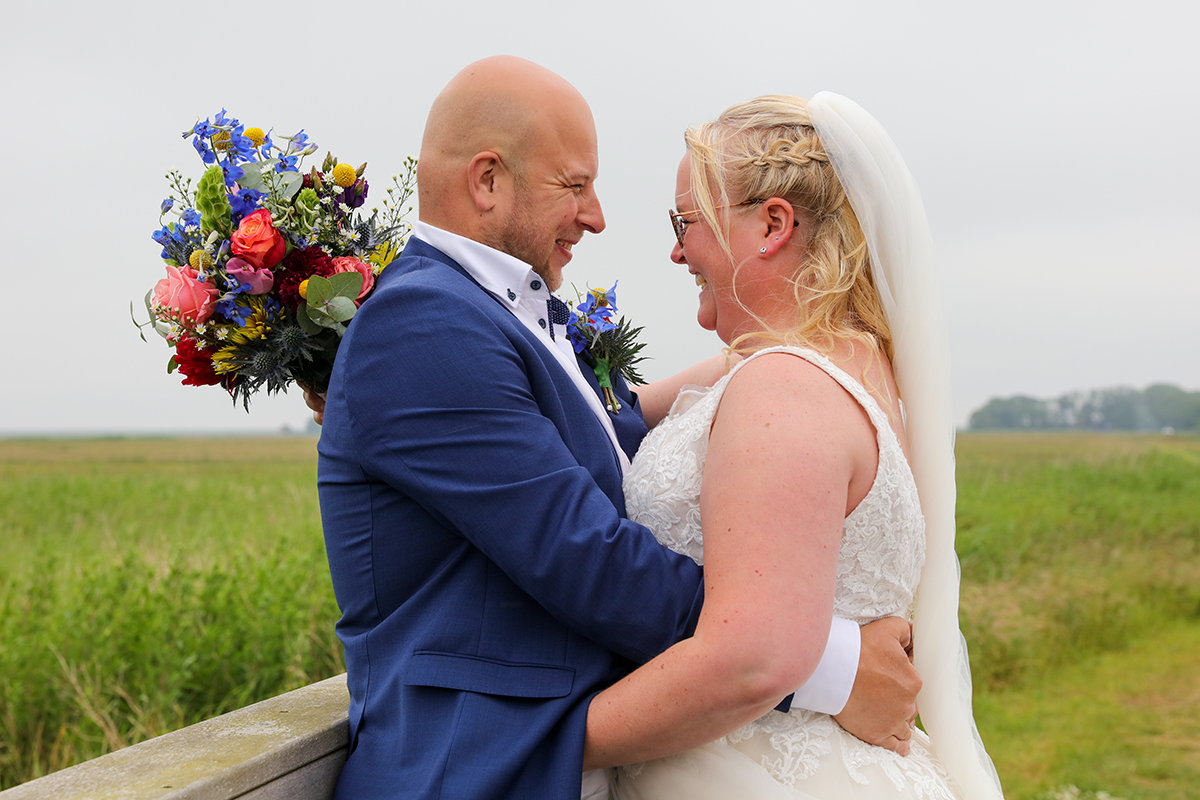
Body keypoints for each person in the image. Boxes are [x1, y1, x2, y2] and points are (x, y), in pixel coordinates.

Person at [316, 56, 921, 800]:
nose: (597, 216)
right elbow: (584, 556)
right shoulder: (421, 324)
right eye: (575, 185)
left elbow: (623, 422)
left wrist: (798, 351)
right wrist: (827, 661)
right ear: (487, 181)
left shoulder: (525, 319)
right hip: (472, 762)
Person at [581, 94, 1005, 799]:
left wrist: (555, 743)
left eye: (686, 222)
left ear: (773, 224)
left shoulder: (784, 387)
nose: (677, 250)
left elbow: (747, 662)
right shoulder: (847, 362)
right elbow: (599, 414)